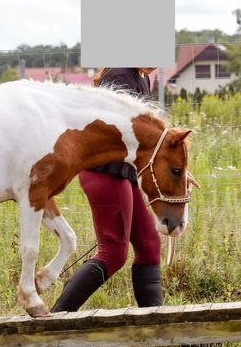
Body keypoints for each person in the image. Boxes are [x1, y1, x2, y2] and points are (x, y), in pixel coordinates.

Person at [51, 67, 163, 312]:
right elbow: (120, 131)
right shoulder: (120, 75)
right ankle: (55, 323)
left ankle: (156, 329)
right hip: (105, 172)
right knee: (113, 254)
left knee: (149, 246)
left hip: (124, 172)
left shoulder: (143, 77)